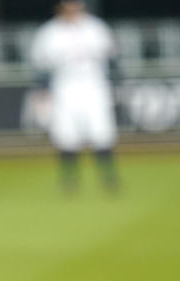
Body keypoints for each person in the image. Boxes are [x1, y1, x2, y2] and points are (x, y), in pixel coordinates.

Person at [29, 0, 120, 193]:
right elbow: (40, 66)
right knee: (65, 135)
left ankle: (109, 178)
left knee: (101, 132)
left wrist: (116, 84)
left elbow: (112, 59)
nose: (72, 8)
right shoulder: (50, 32)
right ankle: (70, 181)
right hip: (64, 86)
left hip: (94, 84)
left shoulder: (95, 27)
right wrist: (42, 91)